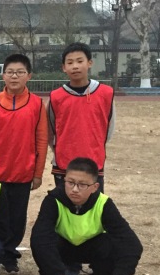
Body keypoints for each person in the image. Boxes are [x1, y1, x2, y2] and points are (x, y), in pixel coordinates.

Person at [29, 157, 142, 275]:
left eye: (82, 185)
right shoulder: (53, 200)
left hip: (91, 247)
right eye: (70, 182)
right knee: (41, 240)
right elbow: (40, 239)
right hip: (62, 248)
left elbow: (132, 245)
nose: (75, 189)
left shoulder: (104, 204)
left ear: (95, 187)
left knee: (112, 243)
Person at [0, 53, 48, 274]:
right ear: (3, 75)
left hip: (22, 172)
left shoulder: (37, 104)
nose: (14, 76)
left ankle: (9, 255)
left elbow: (41, 140)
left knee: (17, 218)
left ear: (29, 76)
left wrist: (37, 173)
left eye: (20, 72)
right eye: (10, 72)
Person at [48, 42, 115, 192]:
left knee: (93, 203)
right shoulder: (56, 97)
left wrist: (95, 145)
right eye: (70, 63)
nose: (75, 66)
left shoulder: (106, 93)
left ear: (89, 63)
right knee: (64, 203)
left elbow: (109, 127)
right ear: (64, 67)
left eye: (80, 61)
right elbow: (50, 130)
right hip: (64, 163)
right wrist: (59, 149)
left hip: (94, 162)